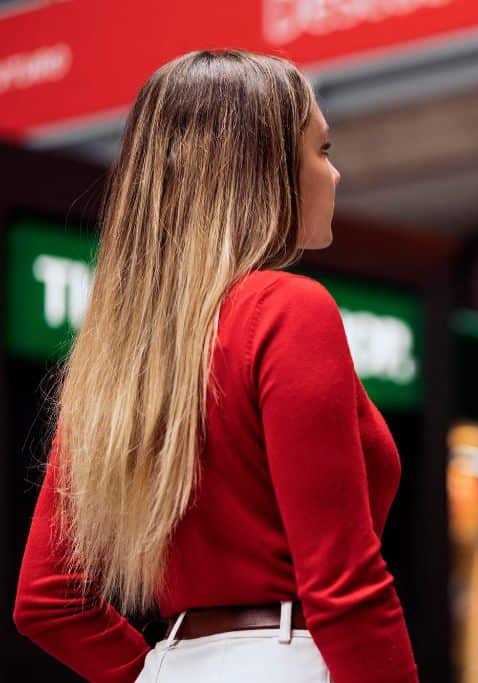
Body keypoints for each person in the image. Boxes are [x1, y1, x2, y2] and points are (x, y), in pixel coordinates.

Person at [11, 48, 420, 683]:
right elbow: (345, 586)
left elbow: (47, 600)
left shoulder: (120, 356)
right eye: (322, 150)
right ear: (266, 169)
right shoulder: (287, 308)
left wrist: (156, 672)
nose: (334, 176)